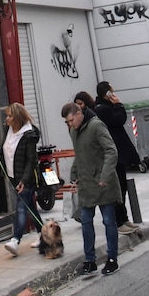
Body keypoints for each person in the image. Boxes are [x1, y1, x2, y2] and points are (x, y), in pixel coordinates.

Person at [61, 100, 121, 277]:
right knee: (86, 221)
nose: (70, 125)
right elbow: (80, 154)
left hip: (103, 183)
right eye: (67, 122)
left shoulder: (96, 125)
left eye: (71, 120)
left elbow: (111, 151)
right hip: (86, 184)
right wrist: (74, 172)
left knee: (108, 221)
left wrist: (105, 176)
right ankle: (90, 260)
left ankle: (112, 259)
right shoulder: (74, 131)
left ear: (79, 114)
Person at [0, 102, 42, 256]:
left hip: (26, 179)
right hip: (13, 176)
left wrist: (24, 181)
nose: (7, 119)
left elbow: (31, 160)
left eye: (9, 116)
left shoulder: (29, 135)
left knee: (21, 207)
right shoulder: (8, 130)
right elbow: (7, 147)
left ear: (17, 118)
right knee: (30, 207)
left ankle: (15, 240)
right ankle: (43, 233)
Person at [94, 81, 141, 234]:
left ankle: (124, 218)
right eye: (111, 91)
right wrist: (119, 105)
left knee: (122, 187)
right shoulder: (102, 109)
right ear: (107, 93)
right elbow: (119, 119)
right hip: (113, 154)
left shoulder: (106, 107)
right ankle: (118, 221)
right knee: (117, 189)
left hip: (118, 153)